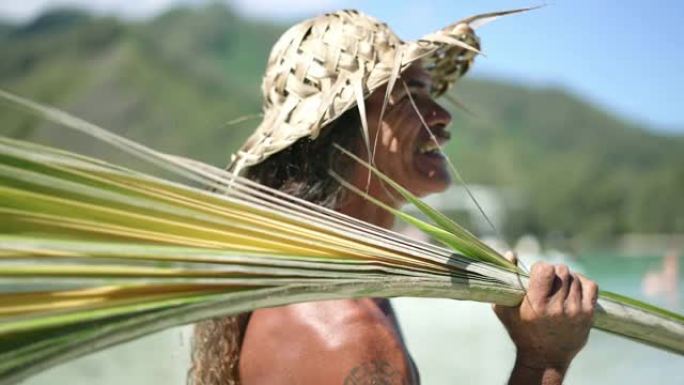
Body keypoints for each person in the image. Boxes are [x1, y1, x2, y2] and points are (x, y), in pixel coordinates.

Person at [192, 9, 598, 385]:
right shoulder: (349, 334)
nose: (441, 115)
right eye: (408, 96)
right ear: (336, 131)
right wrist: (543, 359)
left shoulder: (331, 289)